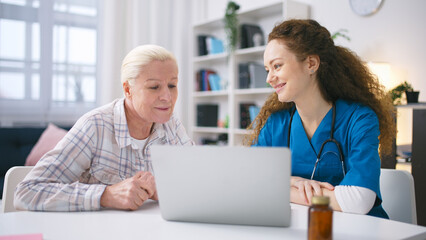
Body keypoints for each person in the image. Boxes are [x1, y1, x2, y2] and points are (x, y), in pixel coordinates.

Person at [15, 45, 194, 211]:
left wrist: (164, 187)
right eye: (154, 87)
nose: (167, 97)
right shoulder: (95, 126)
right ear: (128, 89)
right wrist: (105, 195)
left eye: (172, 85)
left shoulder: (171, 124)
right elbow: (27, 191)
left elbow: (196, 179)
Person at [246, 19, 395, 218]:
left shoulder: (359, 119)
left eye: (277, 66)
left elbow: (359, 199)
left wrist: (281, 186)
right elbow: (248, 180)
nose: (269, 78)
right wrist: (293, 182)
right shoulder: (277, 124)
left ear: (311, 64)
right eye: (267, 70)